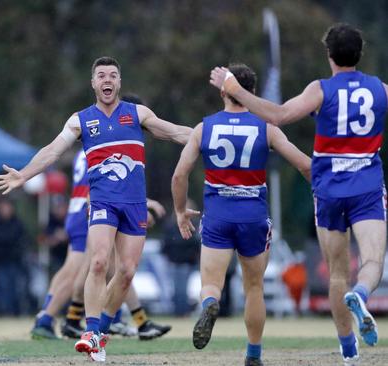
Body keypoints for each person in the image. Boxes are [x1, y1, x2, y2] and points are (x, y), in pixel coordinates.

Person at [0, 56, 190, 361]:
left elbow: (176, 132)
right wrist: (25, 174)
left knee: (126, 272)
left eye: (113, 75)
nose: (107, 80)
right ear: (93, 83)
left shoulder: (137, 114)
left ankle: (100, 333)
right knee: (98, 262)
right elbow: (51, 150)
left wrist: (209, 136)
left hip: (134, 204)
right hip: (102, 203)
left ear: (120, 82)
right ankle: (90, 329)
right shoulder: (81, 119)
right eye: (101, 75)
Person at [210, 24, 386, 364]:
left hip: (330, 188)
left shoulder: (320, 89)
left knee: (336, 273)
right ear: (359, 53)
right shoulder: (380, 89)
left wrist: (235, 89)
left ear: (330, 55)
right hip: (366, 185)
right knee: (372, 260)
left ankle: (348, 349)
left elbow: (278, 115)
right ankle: (361, 294)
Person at [173, 63, 311, 366]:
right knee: (254, 288)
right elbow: (304, 165)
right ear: (253, 93)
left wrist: (181, 211)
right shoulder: (267, 128)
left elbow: (180, 175)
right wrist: (325, 190)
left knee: (210, 284)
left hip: (218, 216)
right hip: (253, 217)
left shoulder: (204, 128)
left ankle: (210, 304)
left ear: (224, 90)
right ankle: (253, 354)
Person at [31, 150, 171, 341]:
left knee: (110, 267)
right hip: (91, 209)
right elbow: (106, 183)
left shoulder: (84, 149)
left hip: (80, 209)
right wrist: (142, 204)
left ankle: (135, 321)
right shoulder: (101, 143)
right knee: (86, 270)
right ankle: (52, 319)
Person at [0, 198, 30, 315]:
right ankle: (7, 312)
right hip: (1, 262)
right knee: (4, 289)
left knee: (17, 289)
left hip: (16, 262)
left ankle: (18, 311)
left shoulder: (18, 224)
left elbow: (22, 241)